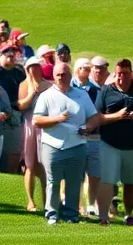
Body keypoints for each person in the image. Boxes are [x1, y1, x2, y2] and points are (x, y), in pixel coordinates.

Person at [33, 60, 100, 224]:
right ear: (54, 77)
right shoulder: (46, 96)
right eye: (58, 75)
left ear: (71, 75)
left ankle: (71, 214)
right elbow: (37, 120)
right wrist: (57, 119)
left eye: (64, 74)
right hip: (52, 145)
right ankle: (52, 213)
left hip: (77, 145)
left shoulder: (81, 94)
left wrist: (87, 128)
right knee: (53, 182)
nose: (61, 77)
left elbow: (94, 116)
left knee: (74, 182)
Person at [95, 59, 133, 225]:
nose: (122, 77)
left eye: (126, 73)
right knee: (107, 180)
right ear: (115, 73)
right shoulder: (106, 91)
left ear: (131, 74)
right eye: (119, 73)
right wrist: (117, 116)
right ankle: (104, 216)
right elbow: (98, 117)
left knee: (130, 182)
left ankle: (128, 215)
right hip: (109, 143)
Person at [16, 57, 49, 212]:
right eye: (31, 67)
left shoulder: (49, 85)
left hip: (45, 127)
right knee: (29, 165)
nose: (34, 70)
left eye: (36, 66)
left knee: (44, 166)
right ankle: (30, 201)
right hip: (30, 127)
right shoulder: (23, 85)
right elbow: (22, 106)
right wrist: (32, 91)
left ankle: (47, 201)